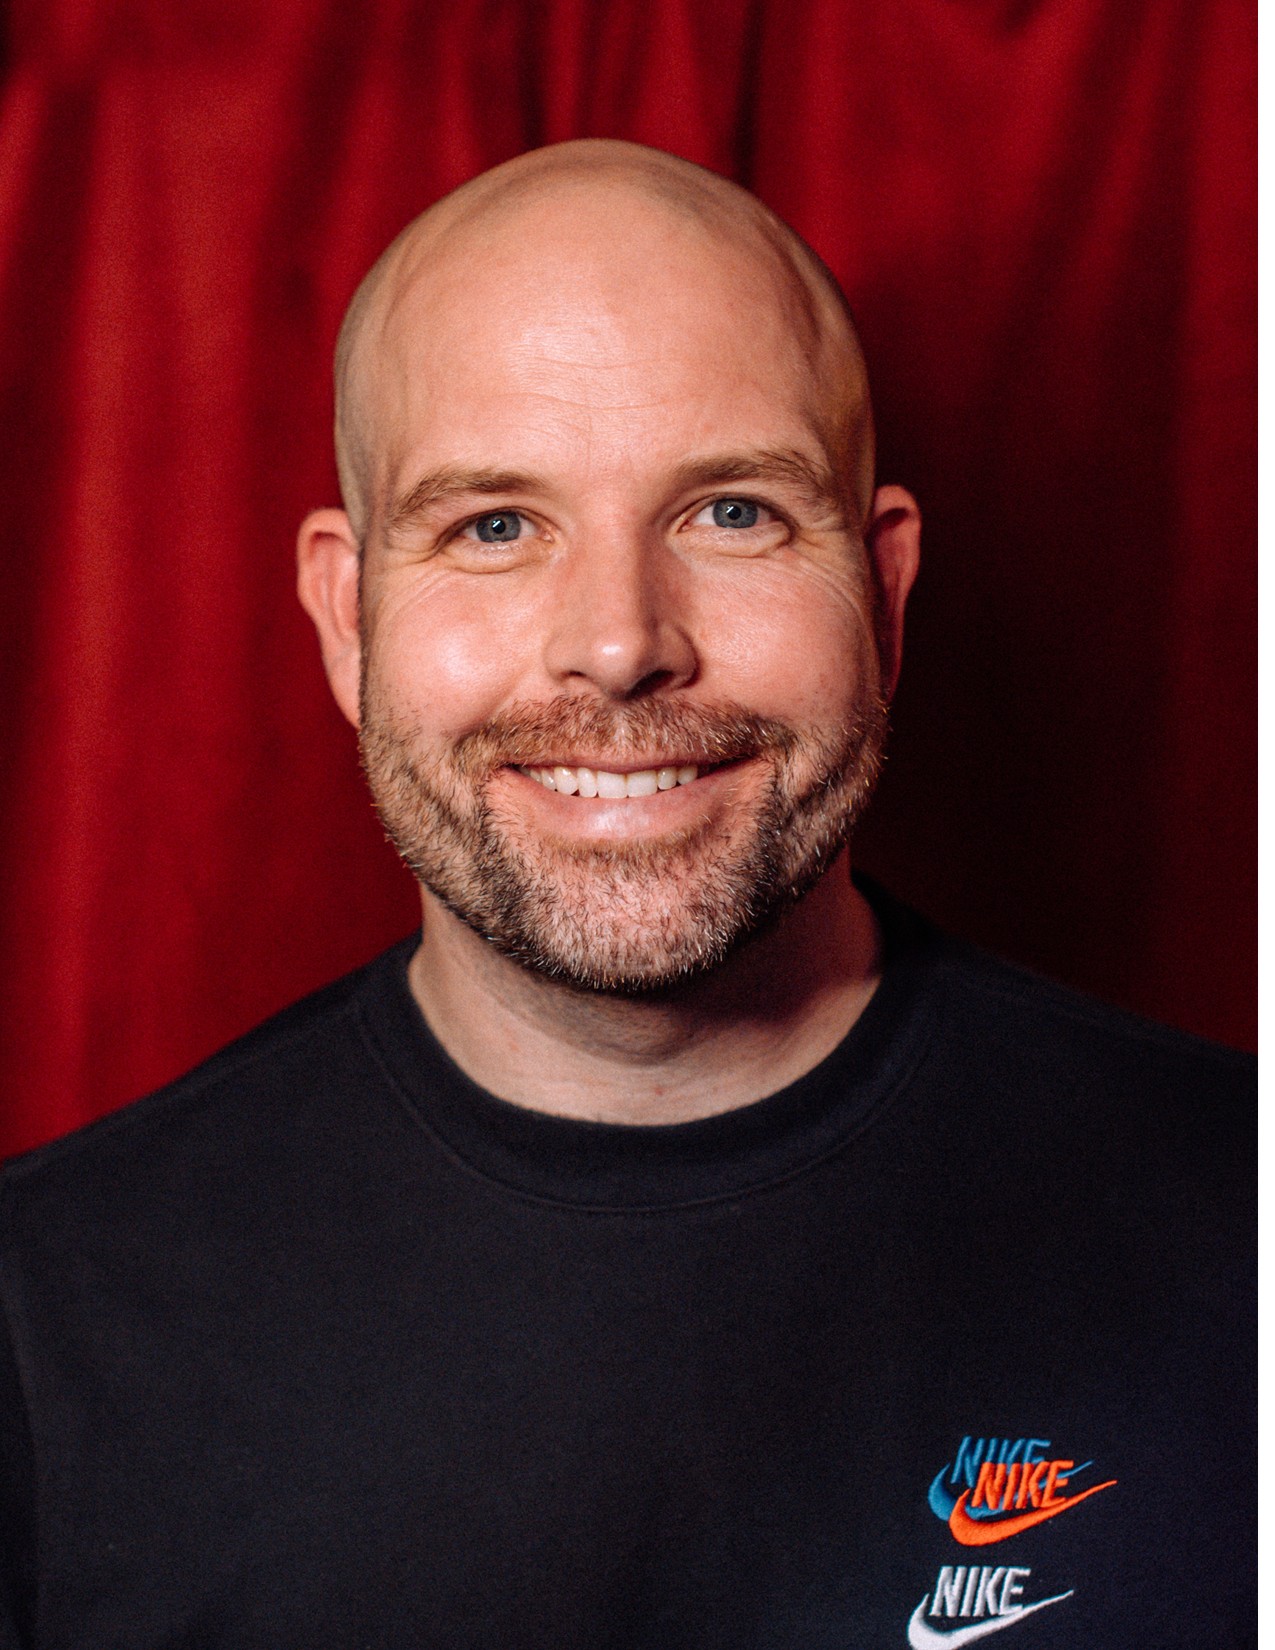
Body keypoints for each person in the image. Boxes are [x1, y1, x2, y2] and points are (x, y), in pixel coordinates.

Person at [0, 141, 1252, 1649]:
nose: (618, 642)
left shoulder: (1239, 1227)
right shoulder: (44, 1318)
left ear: (883, 591)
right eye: (493, 526)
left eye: (731, 511)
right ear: (348, 617)